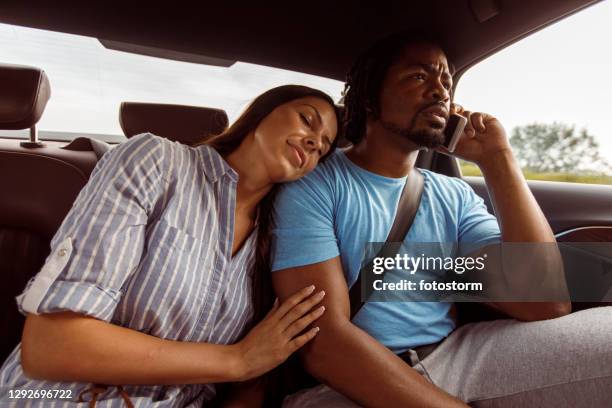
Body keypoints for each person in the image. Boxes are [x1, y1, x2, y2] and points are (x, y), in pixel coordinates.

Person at [270, 33, 612, 407]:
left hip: (457, 356)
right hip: (347, 384)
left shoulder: (454, 195)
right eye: (419, 77)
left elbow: (544, 303)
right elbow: (325, 345)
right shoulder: (315, 185)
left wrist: (497, 159)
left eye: (446, 81)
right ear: (369, 96)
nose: (440, 92)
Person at [0, 84, 340, 407]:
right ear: (262, 112)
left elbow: (258, 375)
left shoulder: (278, 241)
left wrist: (247, 374)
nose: (314, 143)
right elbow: (52, 346)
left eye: (323, 148)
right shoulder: (157, 162)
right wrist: (236, 360)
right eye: (307, 120)